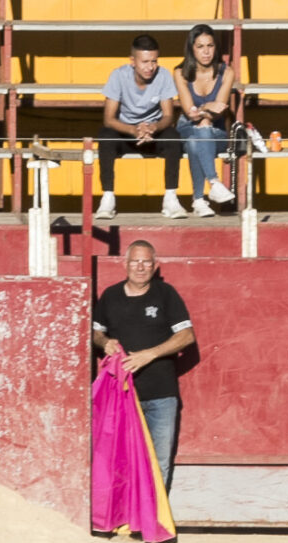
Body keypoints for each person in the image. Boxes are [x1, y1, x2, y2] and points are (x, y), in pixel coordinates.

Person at [92, 240, 194, 491]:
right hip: (122, 396)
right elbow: (94, 332)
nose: (140, 267)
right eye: (135, 261)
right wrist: (104, 342)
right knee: (121, 460)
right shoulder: (111, 296)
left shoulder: (166, 294)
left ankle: (155, 525)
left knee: (158, 462)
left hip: (161, 396)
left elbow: (186, 336)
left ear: (155, 265)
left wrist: (150, 354)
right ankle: (125, 521)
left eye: (146, 262)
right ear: (125, 264)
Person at [95, 33, 181, 222]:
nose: (150, 67)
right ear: (133, 61)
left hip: (153, 133)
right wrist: (134, 130)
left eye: (154, 61)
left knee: (173, 136)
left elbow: (168, 116)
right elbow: (108, 119)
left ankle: (171, 198)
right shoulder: (118, 75)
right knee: (106, 136)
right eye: (145, 62)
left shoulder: (164, 75)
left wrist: (153, 127)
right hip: (127, 133)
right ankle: (107, 198)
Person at [172, 24, 239, 216]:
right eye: (200, 46)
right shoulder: (180, 72)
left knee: (197, 139)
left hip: (216, 132)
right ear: (192, 49)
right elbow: (188, 112)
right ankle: (214, 183)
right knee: (198, 131)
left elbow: (220, 109)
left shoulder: (227, 72)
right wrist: (207, 108)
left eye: (210, 46)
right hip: (186, 127)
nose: (206, 52)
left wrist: (203, 113)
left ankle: (199, 200)